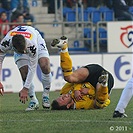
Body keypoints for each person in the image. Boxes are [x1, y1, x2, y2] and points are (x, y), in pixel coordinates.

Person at [50, 36, 114, 110]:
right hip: (103, 84)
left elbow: (75, 82)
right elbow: (107, 101)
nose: (63, 96)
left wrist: (77, 89)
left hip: (93, 74)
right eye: (63, 99)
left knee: (69, 77)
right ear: (68, 106)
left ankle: (64, 47)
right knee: (99, 104)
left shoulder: (64, 91)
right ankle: (103, 82)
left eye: (60, 97)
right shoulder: (82, 105)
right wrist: (90, 91)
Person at [0, 25, 52, 110]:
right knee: (24, 72)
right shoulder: (5, 43)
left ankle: (46, 95)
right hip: (18, 44)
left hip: (35, 38)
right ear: (13, 47)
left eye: (24, 50)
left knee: (45, 65)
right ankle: (33, 101)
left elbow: (33, 67)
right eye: (22, 51)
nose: (24, 52)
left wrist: (25, 88)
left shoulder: (32, 45)